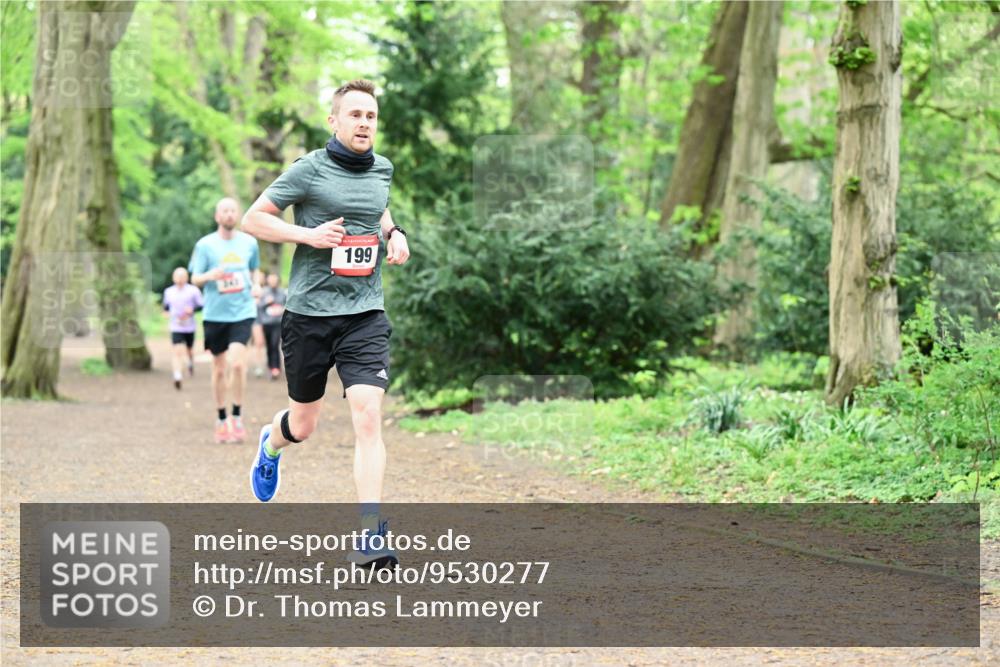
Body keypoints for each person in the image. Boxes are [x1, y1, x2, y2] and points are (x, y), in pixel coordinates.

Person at [242, 79, 409, 567]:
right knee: (304, 423)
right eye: (355, 115)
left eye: (371, 116)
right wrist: (308, 236)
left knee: (368, 414)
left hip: (364, 313)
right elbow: (256, 218)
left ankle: (370, 532)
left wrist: (394, 232)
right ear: (334, 121)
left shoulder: (382, 168)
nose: (364, 123)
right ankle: (271, 445)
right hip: (310, 316)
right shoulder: (308, 170)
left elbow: (376, 207)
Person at [189, 197, 261, 444]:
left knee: (239, 365)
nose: (229, 215)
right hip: (215, 314)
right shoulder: (205, 245)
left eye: (233, 211)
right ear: (217, 216)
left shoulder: (249, 243)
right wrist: (211, 275)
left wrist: (257, 285)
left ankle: (237, 417)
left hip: (242, 311)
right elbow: (195, 278)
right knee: (219, 368)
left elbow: (254, 270)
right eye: (224, 211)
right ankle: (221, 418)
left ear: (238, 214)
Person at [162, 267, 203, 390]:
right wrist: (166, 313)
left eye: (182, 276)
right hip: (176, 326)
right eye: (177, 276)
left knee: (189, 350)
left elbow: (201, 306)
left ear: (186, 278)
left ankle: (190, 363)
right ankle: (177, 375)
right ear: (173, 278)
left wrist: (191, 311)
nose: (179, 279)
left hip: (189, 326)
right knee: (177, 351)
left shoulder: (193, 290)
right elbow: (166, 307)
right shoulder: (168, 292)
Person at [258, 272, 287, 381]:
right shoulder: (264, 292)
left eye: (275, 279)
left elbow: (287, 305)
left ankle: (276, 368)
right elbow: (259, 307)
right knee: (269, 346)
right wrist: (266, 302)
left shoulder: (282, 292)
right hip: (267, 323)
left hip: (278, 323)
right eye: (271, 279)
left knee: (275, 344)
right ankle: (271, 366)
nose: (273, 282)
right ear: (268, 280)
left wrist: (283, 309)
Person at [250, 271, 267, 378]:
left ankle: (265, 364)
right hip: (255, 319)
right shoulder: (252, 289)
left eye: (262, 276)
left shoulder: (267, 290)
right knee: (258, 343)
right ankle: (258, 366)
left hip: (267, 319)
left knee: (264, 343)